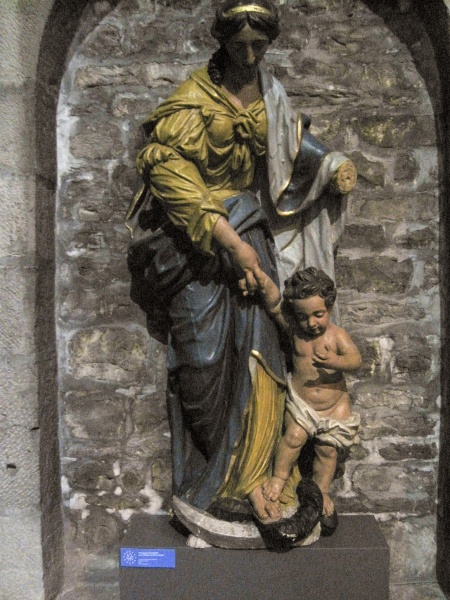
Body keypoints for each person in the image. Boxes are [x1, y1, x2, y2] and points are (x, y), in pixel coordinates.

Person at [126, 0, 356, 544]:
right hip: (196, 246)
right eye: (239, 45)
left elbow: (293, 151)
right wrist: (227, 241)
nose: (250, 55)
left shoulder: (271, 97)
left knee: (264, 357)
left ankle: (257, 482)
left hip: (252, 234)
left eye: (259, 45)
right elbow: (165, 169)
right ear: (221, 41)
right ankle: (212, 482)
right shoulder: (193, 99)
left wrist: (332, 166)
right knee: (202, 364)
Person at [257, 267, 361, 534]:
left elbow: (355, 360)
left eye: (318, 314)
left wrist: (335, 361)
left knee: (327, 451)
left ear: (329, 307)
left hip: (334, 406)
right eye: (303, 317)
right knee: (292, 438)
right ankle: (279, 477)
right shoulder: (295, 332)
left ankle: (321, 490)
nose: (312, 323)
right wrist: (261, 277)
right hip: (303, 405)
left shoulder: (336, 335)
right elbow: (274, 305)